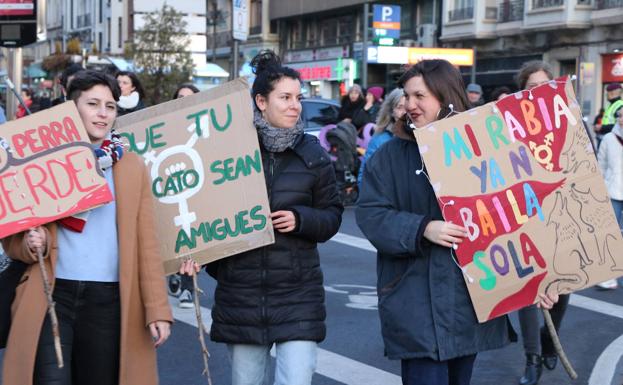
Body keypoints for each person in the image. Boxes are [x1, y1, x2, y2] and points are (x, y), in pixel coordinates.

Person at [355, 59, 558, 385]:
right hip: (414, 299)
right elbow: (371, 213)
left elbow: (512, 216)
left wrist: (534, 280)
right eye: (406, 96)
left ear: (444, 95)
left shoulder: (488, 151)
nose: (409, 104)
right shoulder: (390, 155)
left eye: (418, 95)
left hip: (469, 300)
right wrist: (422, 228)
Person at [181, 50, 343, 385]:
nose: (294, 105)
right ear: (260, 101)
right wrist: (202, 255)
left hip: (298, 295)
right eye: (284, 97)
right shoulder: (227, 151)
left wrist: (301, 219)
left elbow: (332, 216)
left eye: (298, 98)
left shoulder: (313, 155)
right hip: (241, 294)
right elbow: (200, 212)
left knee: (296, 379)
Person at [1, 70, 172, 385]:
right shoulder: (39, 159)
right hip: (51, 295)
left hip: (108, 303)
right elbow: (12, 237)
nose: (103, 113)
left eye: (110, 106)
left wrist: (158, 309)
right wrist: (30, 242)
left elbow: (147, 243)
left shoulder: (130, 166)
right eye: (93, 104)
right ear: (71, 106)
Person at [515, 59, 571, 385]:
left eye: (543, 86)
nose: (537, 93)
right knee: (525, 289)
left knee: (562, 285)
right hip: (522, 217)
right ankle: (531, 357)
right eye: (530, 87)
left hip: (562, 216)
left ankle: (551, 340)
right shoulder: (506, 126)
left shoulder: (570, 120)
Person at [167, 82, 200, 308]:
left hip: (194, 190)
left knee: (192, 243)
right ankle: (174, 273)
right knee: (173, 240)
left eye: (189, 97)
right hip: (170, 189)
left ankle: (187, 288)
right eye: (180, 96)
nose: (184, 100)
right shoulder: (165, 126)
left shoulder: (203, 127)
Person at [596, 105, 623, 290]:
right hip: (613, 192)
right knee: (611, 235)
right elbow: (601, 165)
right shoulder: (608, 139)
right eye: (620, 116)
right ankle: (610, 276)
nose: (621, 119)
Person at [357, 88, 405, 187]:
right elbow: (365, 177)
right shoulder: (380, 140)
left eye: (408, 107)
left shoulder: (424, 137)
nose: (405, 112)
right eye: (400, 107)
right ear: (392, 111)